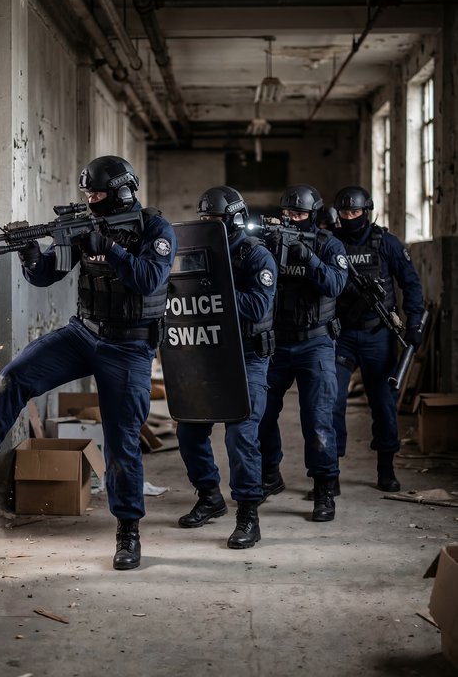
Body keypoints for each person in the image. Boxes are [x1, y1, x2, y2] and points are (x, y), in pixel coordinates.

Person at [0, 155, 177, 571]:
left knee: (121, 441)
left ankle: (128, 531)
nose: (91, 200)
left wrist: (110, 248)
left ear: (121, 193)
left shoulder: (155, 229)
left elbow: (150, 279)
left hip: (130, 345)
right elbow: (47, 275)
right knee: (15, 375)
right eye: (87, 195)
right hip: (84, 333)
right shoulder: (84, 227)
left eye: (97, 194)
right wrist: (30, 252)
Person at [176, 186, 277, 548]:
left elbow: (257, 306)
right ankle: (209, 497)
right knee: (188, 430)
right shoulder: (196, 251)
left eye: (214, 218)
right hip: (207, 353)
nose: (208, 223)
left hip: (248, 356)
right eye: (204, 218)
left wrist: (216, 289)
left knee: (241, 434)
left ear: (233, 218)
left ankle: (248, 515)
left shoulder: (256, 255)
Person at [257, 184, 348, 522]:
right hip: (277, 343)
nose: (291, 219)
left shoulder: (328, 245)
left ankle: (324, 488)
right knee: (261, 412)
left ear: (313, 215)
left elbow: (335, 285)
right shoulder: (270, 242)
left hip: (316, 343)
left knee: (318, 420)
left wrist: (308, 258)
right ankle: (270, 473)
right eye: (287, 214)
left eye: (299, 215)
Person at [332, 185, 425, 492]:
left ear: (366, 212)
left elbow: (411, 283)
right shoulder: (330, 243)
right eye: (344, 213)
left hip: (378, 335)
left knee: (383, 405)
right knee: (331, 403)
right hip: (342, 335)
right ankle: (329, 473)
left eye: (355, 212)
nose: (349, 218)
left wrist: (415, 322)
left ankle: (386, 469)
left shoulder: (386, 243)